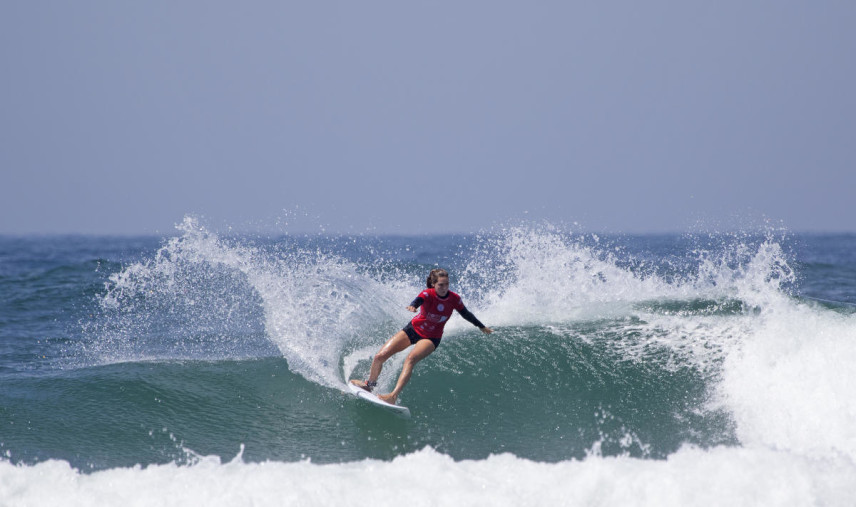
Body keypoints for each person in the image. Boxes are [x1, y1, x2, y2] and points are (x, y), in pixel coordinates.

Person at [351, 268, 493, 405]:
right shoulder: (427, 294)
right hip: (412, 329)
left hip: (431, 338)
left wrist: (481, 326)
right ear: (433, 284)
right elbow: (418, 300)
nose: (444, 288)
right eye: (441, 285)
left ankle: (393, 396)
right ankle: (369, 385)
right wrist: (413, 306)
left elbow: (466, 314)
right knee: (379, 357)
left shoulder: (454, 299)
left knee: (410, 359)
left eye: (447, 284)